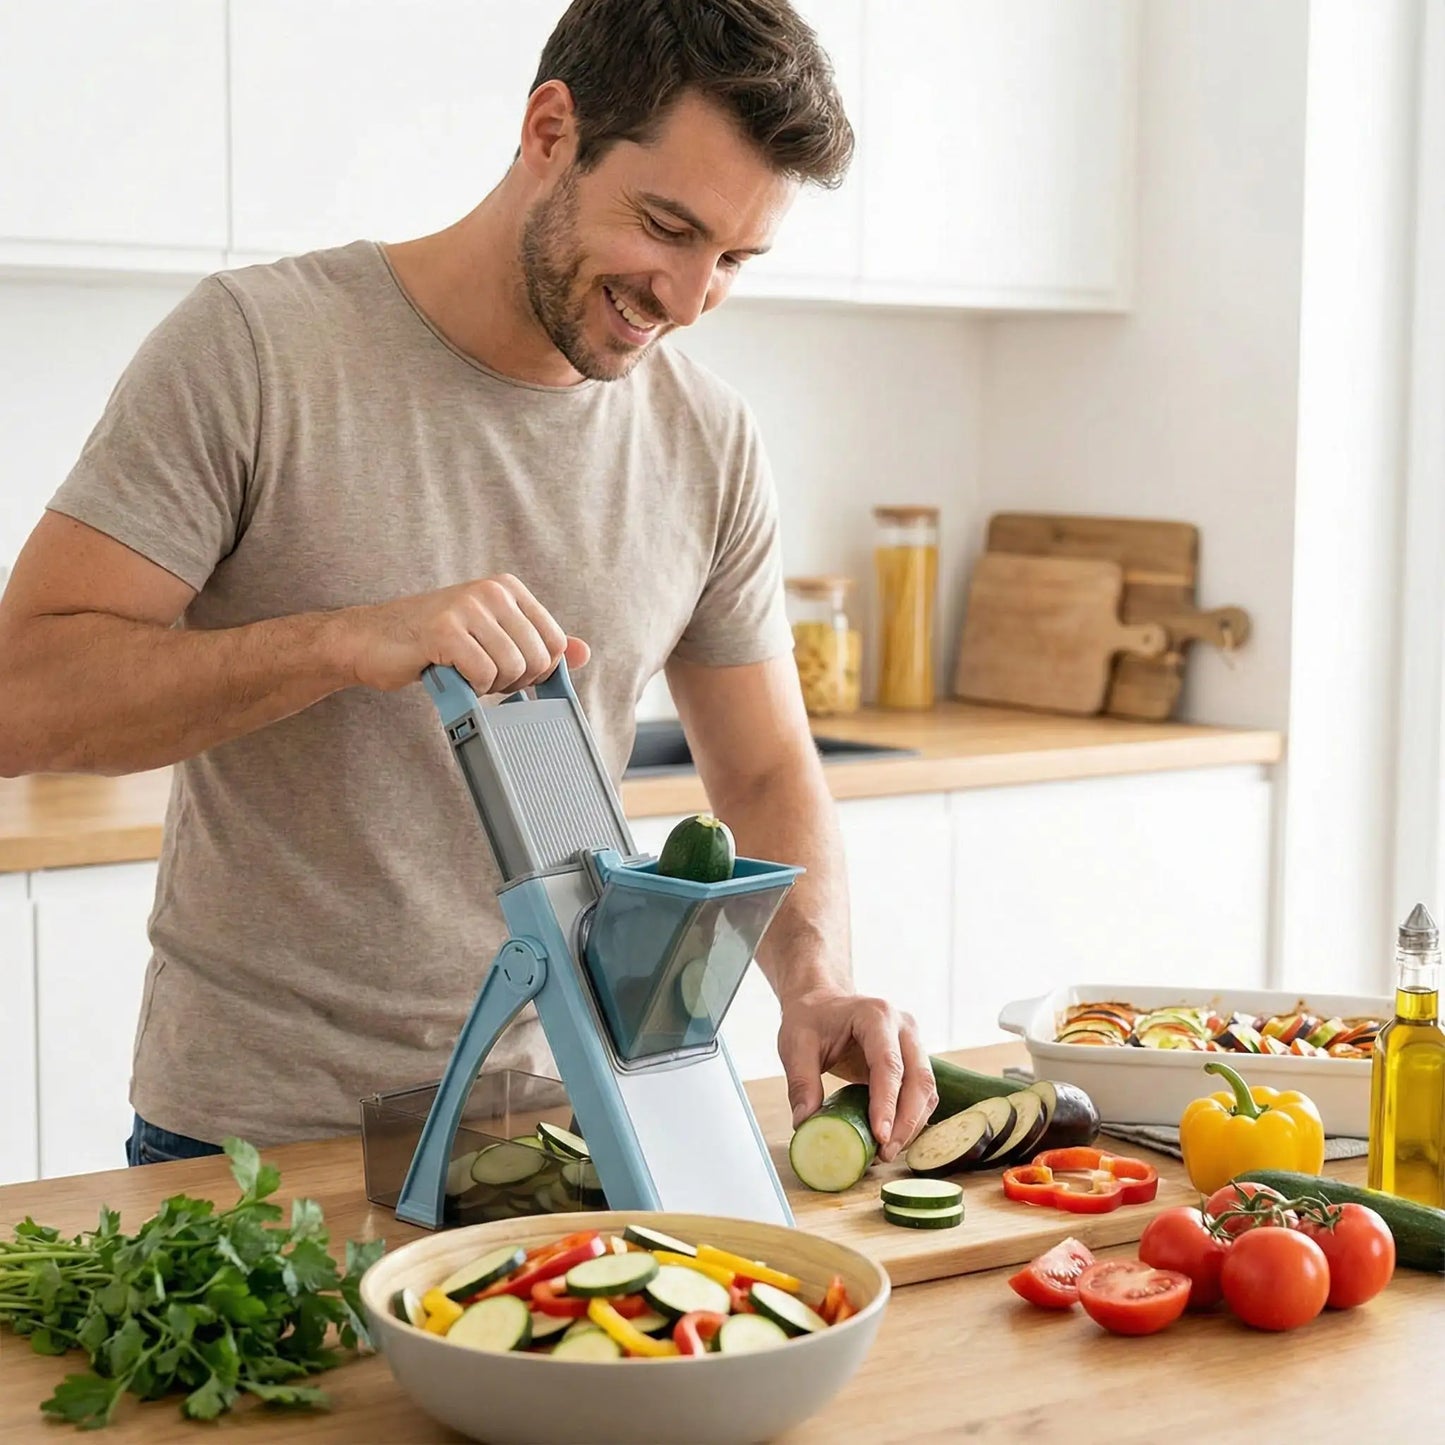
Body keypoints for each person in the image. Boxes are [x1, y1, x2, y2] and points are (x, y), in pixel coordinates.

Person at [0, 0, 937, 1173]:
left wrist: (815, 977)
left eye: (735, 260)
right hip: (254, 1139)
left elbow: (759, 766)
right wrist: (341, 640)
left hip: (569, 1124)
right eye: (666, 226)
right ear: (551, 129)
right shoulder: (255, 349)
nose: (691, 297)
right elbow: (21, 699)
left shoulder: (708, 438)